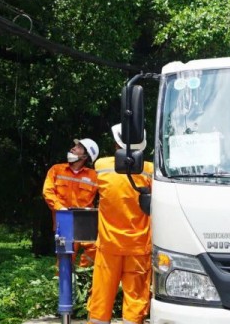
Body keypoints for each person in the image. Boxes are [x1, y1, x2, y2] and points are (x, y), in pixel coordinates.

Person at [87, 124, 153, 324]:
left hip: (109, 246)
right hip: (139, 247)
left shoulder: (101, 166)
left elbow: (87, 196)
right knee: (135, 303)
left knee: (101, 300)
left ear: (116, 142)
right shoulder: (150, 169)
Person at [42, 138, 99, 268]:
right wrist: (59, 207)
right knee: (64, 260)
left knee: (94, 251)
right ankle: (64, 286)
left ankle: (84, 277)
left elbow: (106, 196)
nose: (73, 148)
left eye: (78, 147)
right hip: (63, 222)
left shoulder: (94, 176)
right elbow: (47, 191)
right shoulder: (56, 170)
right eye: (74, 146)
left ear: (85, 156)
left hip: (85, 224)